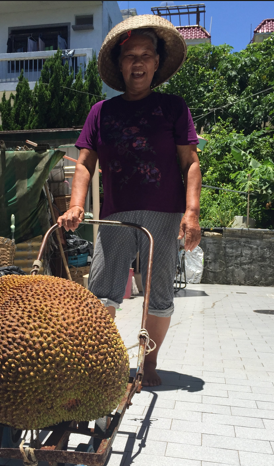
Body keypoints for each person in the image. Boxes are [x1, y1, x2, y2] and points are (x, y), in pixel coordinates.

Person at [57, 15, 202, 386]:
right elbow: (85, 164)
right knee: (102, 289)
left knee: (158, 290)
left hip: (163, 213)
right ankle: (99, 362)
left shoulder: (173, 107)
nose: (137, 63)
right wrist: (76, 205)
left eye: (145, 55)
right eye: (129, 56)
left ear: (156, 62)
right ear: (119, 65)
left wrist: (192, 212)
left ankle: (148, 363)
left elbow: (190, 163)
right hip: (115, 214)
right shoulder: (101, 112)